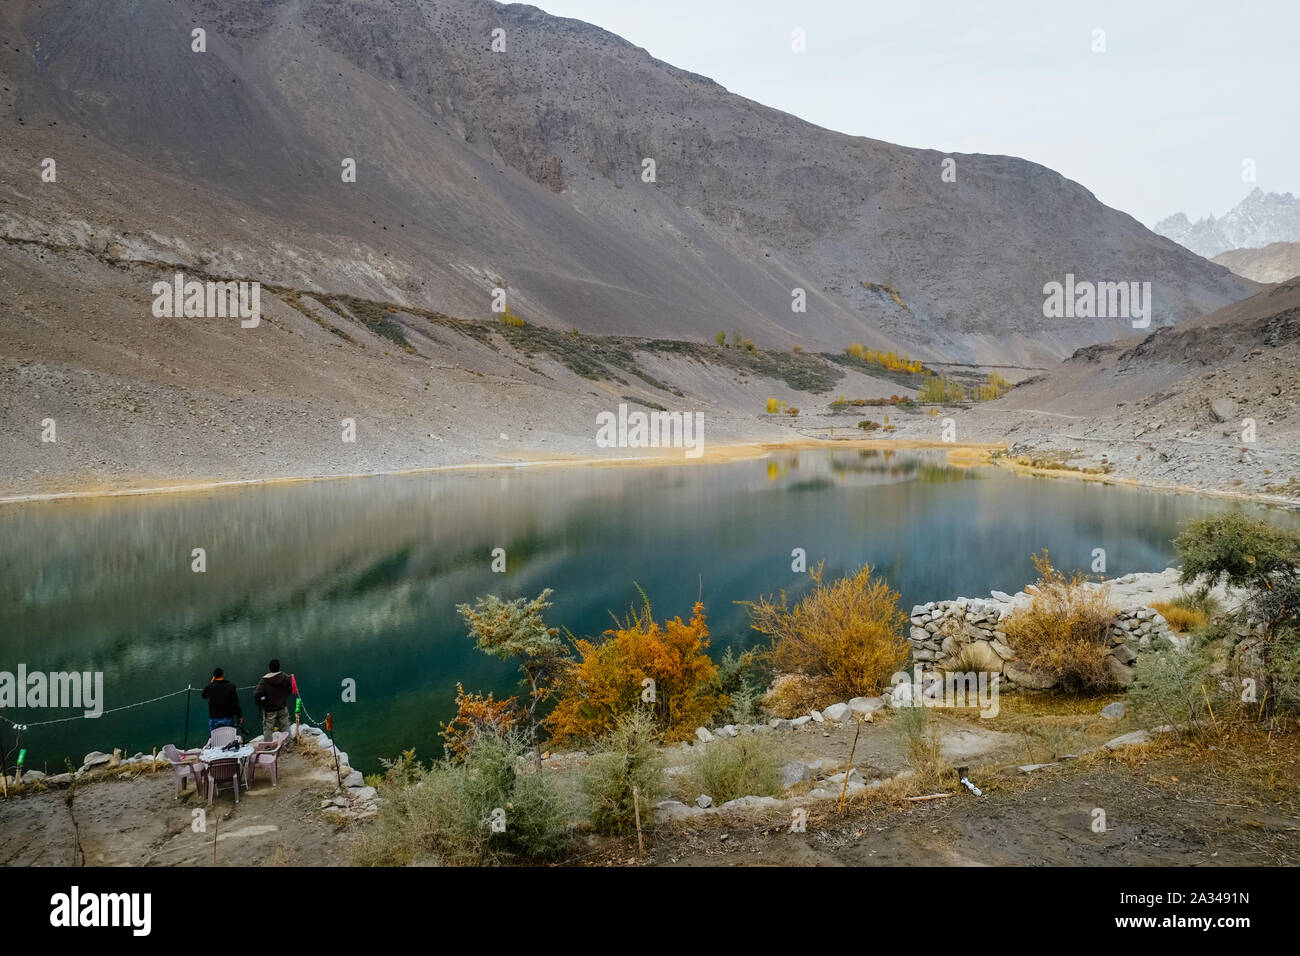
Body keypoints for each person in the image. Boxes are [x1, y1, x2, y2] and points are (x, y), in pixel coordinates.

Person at [253, 659, 294, 740]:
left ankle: (268, 746)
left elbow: (257, 694)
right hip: (282, 706)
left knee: (268, 728)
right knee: (285, 726)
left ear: (269, 668)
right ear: (279, 667)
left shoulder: (264, 680)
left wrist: (262, 702)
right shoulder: (285, 677)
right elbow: (290, 689)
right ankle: (288, 744)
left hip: (270, 709)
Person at [200, 667, 242, 733]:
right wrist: (239, 716)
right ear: (223, 675)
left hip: (214, 718)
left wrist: (211, 682)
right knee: (229, 739)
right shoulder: (231, 686)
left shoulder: (209, 687)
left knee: (215, 739)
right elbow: (235, 703)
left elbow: (204, 695)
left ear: (214, 677)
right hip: (228, 717)